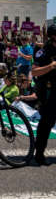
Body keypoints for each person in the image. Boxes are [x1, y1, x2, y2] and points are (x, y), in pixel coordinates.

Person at [31, 24, 56, 166]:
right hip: (49, 93)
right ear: (54, 37)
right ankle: (39, 154)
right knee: (46, 124)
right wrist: (51, 66)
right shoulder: (44, 52)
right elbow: (34, 72)